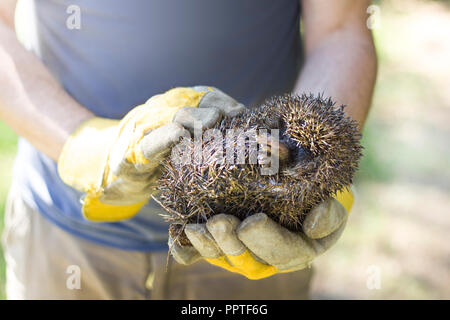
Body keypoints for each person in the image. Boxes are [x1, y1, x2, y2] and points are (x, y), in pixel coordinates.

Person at [0, 0, 377, 299]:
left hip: (258, 230)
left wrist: (320, 163)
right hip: (64, 236)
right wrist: (83, 145)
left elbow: (340, 29)